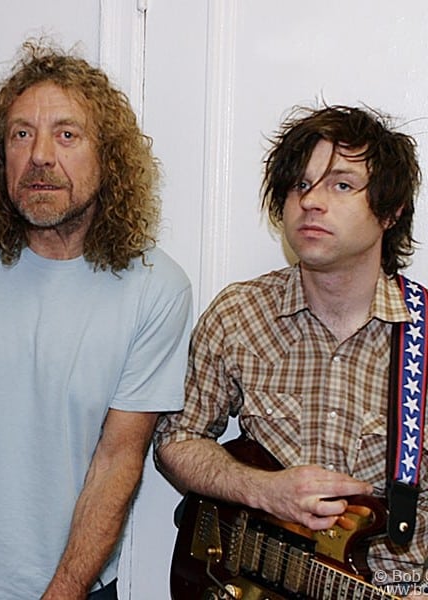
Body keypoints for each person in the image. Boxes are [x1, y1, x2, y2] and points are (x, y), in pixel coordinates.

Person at [0, 42, 192, 600]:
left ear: (109, 159)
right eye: (21, 134)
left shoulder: (158, 288)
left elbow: (117, 457)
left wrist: (65, 590)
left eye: (67, 134)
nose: (40, 156)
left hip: (77, 585)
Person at [155, 105, 428, 598]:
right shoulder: (239, 313)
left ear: (391, 211)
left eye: (341, 185)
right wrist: (263, 490)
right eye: (300, 185)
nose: (312, 202)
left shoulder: (424, 342)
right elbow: (176, 441)